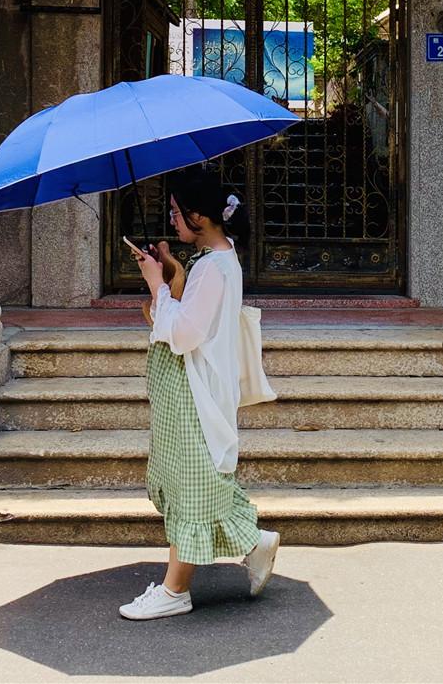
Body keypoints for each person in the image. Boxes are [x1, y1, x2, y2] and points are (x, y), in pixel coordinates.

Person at [120, 166, 279, 621]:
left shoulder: (214, 268)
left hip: (194, 391)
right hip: (186, 389)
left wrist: (155, 284)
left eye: (175, 213)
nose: (171, 220)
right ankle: (254, 543)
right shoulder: (215, 261)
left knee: (192, 487)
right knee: (197, 480)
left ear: (197, 217)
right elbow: (191, 316)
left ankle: (175, 591)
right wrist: (170, 270)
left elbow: (186, 333)